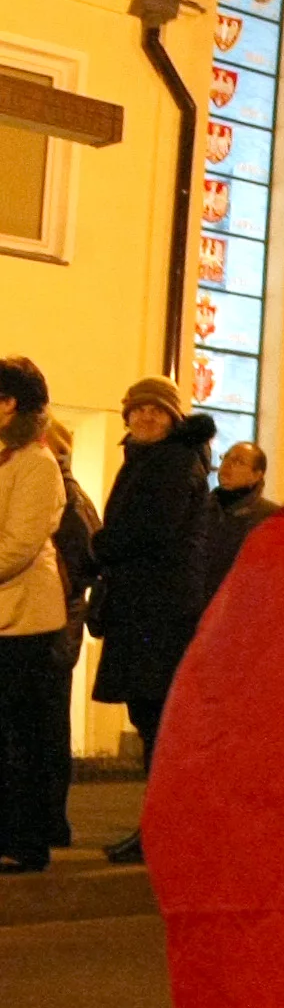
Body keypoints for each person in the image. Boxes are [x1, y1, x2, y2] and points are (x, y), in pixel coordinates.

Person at [89, 378, 214, 864]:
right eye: (137, 409)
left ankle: (163, 831)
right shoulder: (151, 459)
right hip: (149, 606)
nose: (145, 417)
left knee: (159, 721)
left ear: (172, 418)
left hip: (157, 611)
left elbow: (147, 531)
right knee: (153, 720)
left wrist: (97, 549)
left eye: (155, 411)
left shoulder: (172, 461)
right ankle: (161, 828)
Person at [0, 358, 67, 872]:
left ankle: (26, 843)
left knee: (21, 736)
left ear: (9, 406)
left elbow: (20, 545)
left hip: (23, 620)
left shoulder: (36, 462)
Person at [44, 416, 101, 849]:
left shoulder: (66, 497)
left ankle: (47, 821)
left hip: (53, 622)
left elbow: (82, 559)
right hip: (55, 618)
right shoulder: (71, 495)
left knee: (41, 725)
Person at [205, 438, 278, 602]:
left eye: (238, 461)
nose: (227, 466)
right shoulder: (200, 509)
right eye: (226, 458)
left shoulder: (270, 518)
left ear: (256, 475)